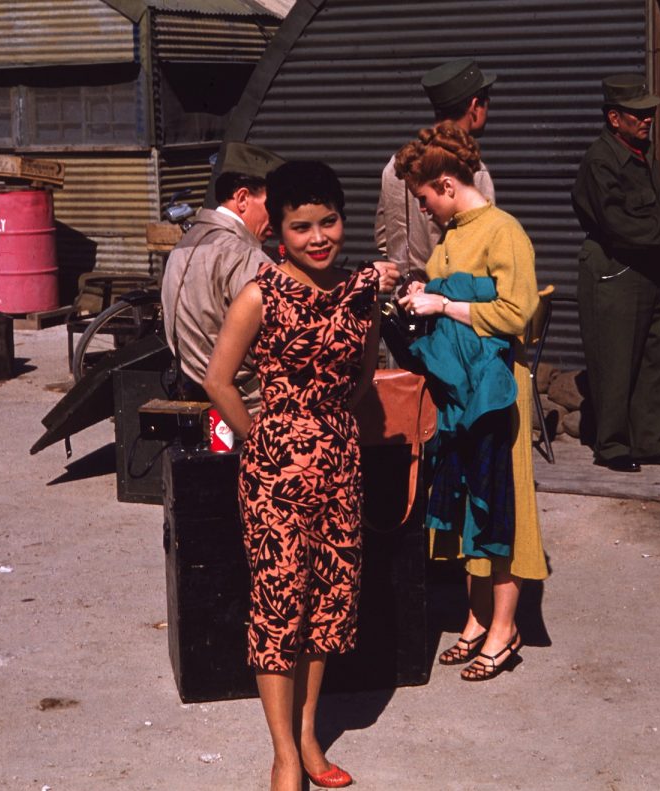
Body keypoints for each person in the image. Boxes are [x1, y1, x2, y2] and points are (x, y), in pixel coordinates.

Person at [203, 161, 382, 789]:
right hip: (276, 469)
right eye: (301, 226)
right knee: (281, 606)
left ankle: (309, 736)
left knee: (329, 603)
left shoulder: (362, 292)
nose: (317, 237)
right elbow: (218, 381)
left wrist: (329, 425)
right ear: (277, 229)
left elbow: (363, 374)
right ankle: (283, 754)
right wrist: (265, 439)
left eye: (328, 222)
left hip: (340, 460)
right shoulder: (260, 292)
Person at [393, 121, 548, 681]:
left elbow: (515, 312)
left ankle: (506, 630)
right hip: (460, 391)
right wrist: (421, 294)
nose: (425, 209)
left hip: (498, 390)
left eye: (425, 198)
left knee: (501, 506)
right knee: (465, 506)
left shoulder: (504, 231)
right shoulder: (454, 231)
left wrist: (442, 306)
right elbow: (444, 289)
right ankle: (478, 618)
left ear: (448, 183)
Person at [570, 74, 660, 472]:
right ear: (615, 118)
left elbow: (650, 215)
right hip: (615, 270)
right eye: (639, 113)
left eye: (649, 112)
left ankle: (650, 441)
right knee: (615, 361)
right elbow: (619, 227)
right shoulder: (601, 161)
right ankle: (612, 447)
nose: (648, 119)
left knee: (656, 357)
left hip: (650, 271)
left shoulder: (643, 152)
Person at [162, 142, 284, 402]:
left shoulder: (183, 246)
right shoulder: (244, 255)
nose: (279, 217)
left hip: (193, 386)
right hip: (248, 401)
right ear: (242, 199)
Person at [376, 58, 497, 276]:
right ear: (475, 106)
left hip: (406, 299)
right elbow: (487, 244)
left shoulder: (397, 164)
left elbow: (384, 237)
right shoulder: (471, 169)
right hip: (455, 301)